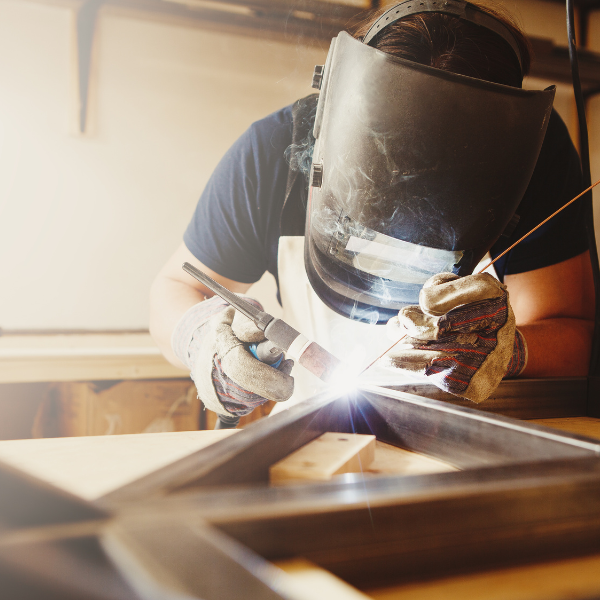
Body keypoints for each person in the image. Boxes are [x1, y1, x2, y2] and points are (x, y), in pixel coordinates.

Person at [150, 0, 594, 421]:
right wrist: (203, 340)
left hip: (478, 439)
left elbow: (572, 341)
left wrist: (510, 350)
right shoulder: (276, 151)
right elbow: (173, 290)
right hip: (321, 440)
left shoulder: (530, 156)